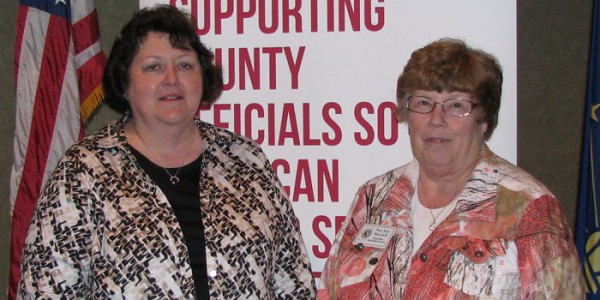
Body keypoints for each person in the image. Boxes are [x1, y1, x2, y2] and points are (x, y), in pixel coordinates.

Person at [17, 4, 316, 299]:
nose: (172, 78)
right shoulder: (83, 172)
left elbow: (295, 283)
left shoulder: (245, 159)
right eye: (153, 66)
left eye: (185, 64)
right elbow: (45, 291)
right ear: (124, 82)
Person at [317, 38, 585, 299]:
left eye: (456, 105)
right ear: (407, 115)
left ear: (483, 121)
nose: (436, 119)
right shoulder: (374, 197)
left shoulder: (528, 211)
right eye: (423, 103)